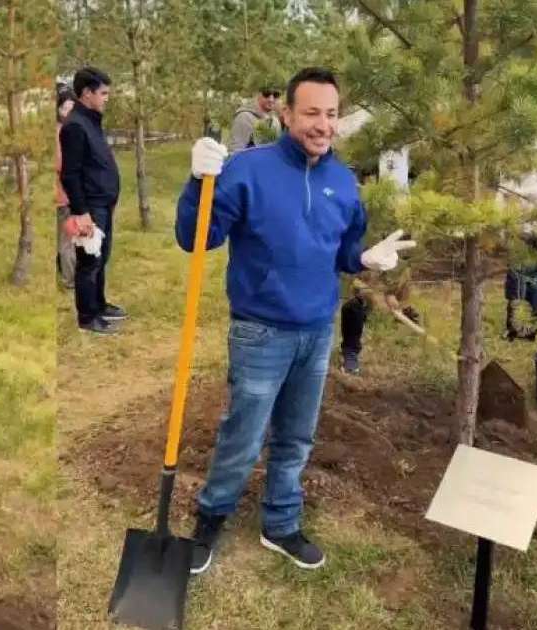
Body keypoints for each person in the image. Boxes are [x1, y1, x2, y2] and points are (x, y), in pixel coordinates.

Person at [177, 67, 415, 574]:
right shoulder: (248, 170)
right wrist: (197, 183)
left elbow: (343, 250)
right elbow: (196, 238)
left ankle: (281, 522)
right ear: (286, 114)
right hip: (260, 331)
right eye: (311, 113)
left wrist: (364, 258)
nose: (323, 125)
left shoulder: (343, 182)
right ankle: (210, 520)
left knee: (296, 437)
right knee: (243, 436)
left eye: (331, 114)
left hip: (316, 330)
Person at [59, 67, 126, 335]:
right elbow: (70, 173)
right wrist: (81, 211)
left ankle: (99, 305)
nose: (106, 98)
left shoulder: (91, 121)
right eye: (103, 93)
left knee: (101, 256)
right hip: (90, 206)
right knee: (89, 260)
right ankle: (87, 317)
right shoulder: (75, 126)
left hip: (104, 202)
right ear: (87, 93)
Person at [55, 86, 78, 288]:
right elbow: (61, 164)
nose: (69, 113)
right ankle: (69, 279)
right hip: (63, 195)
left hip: (64, 195)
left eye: (72, 109)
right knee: (67, 240)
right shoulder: (60, 133)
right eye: (65, 109)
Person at [228, 87, 282, 152]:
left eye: (276, 95)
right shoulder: (244, 117)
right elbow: (235, 150)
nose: (271, 99)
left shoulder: (275, 120)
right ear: (257, 94)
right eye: (266, 94)